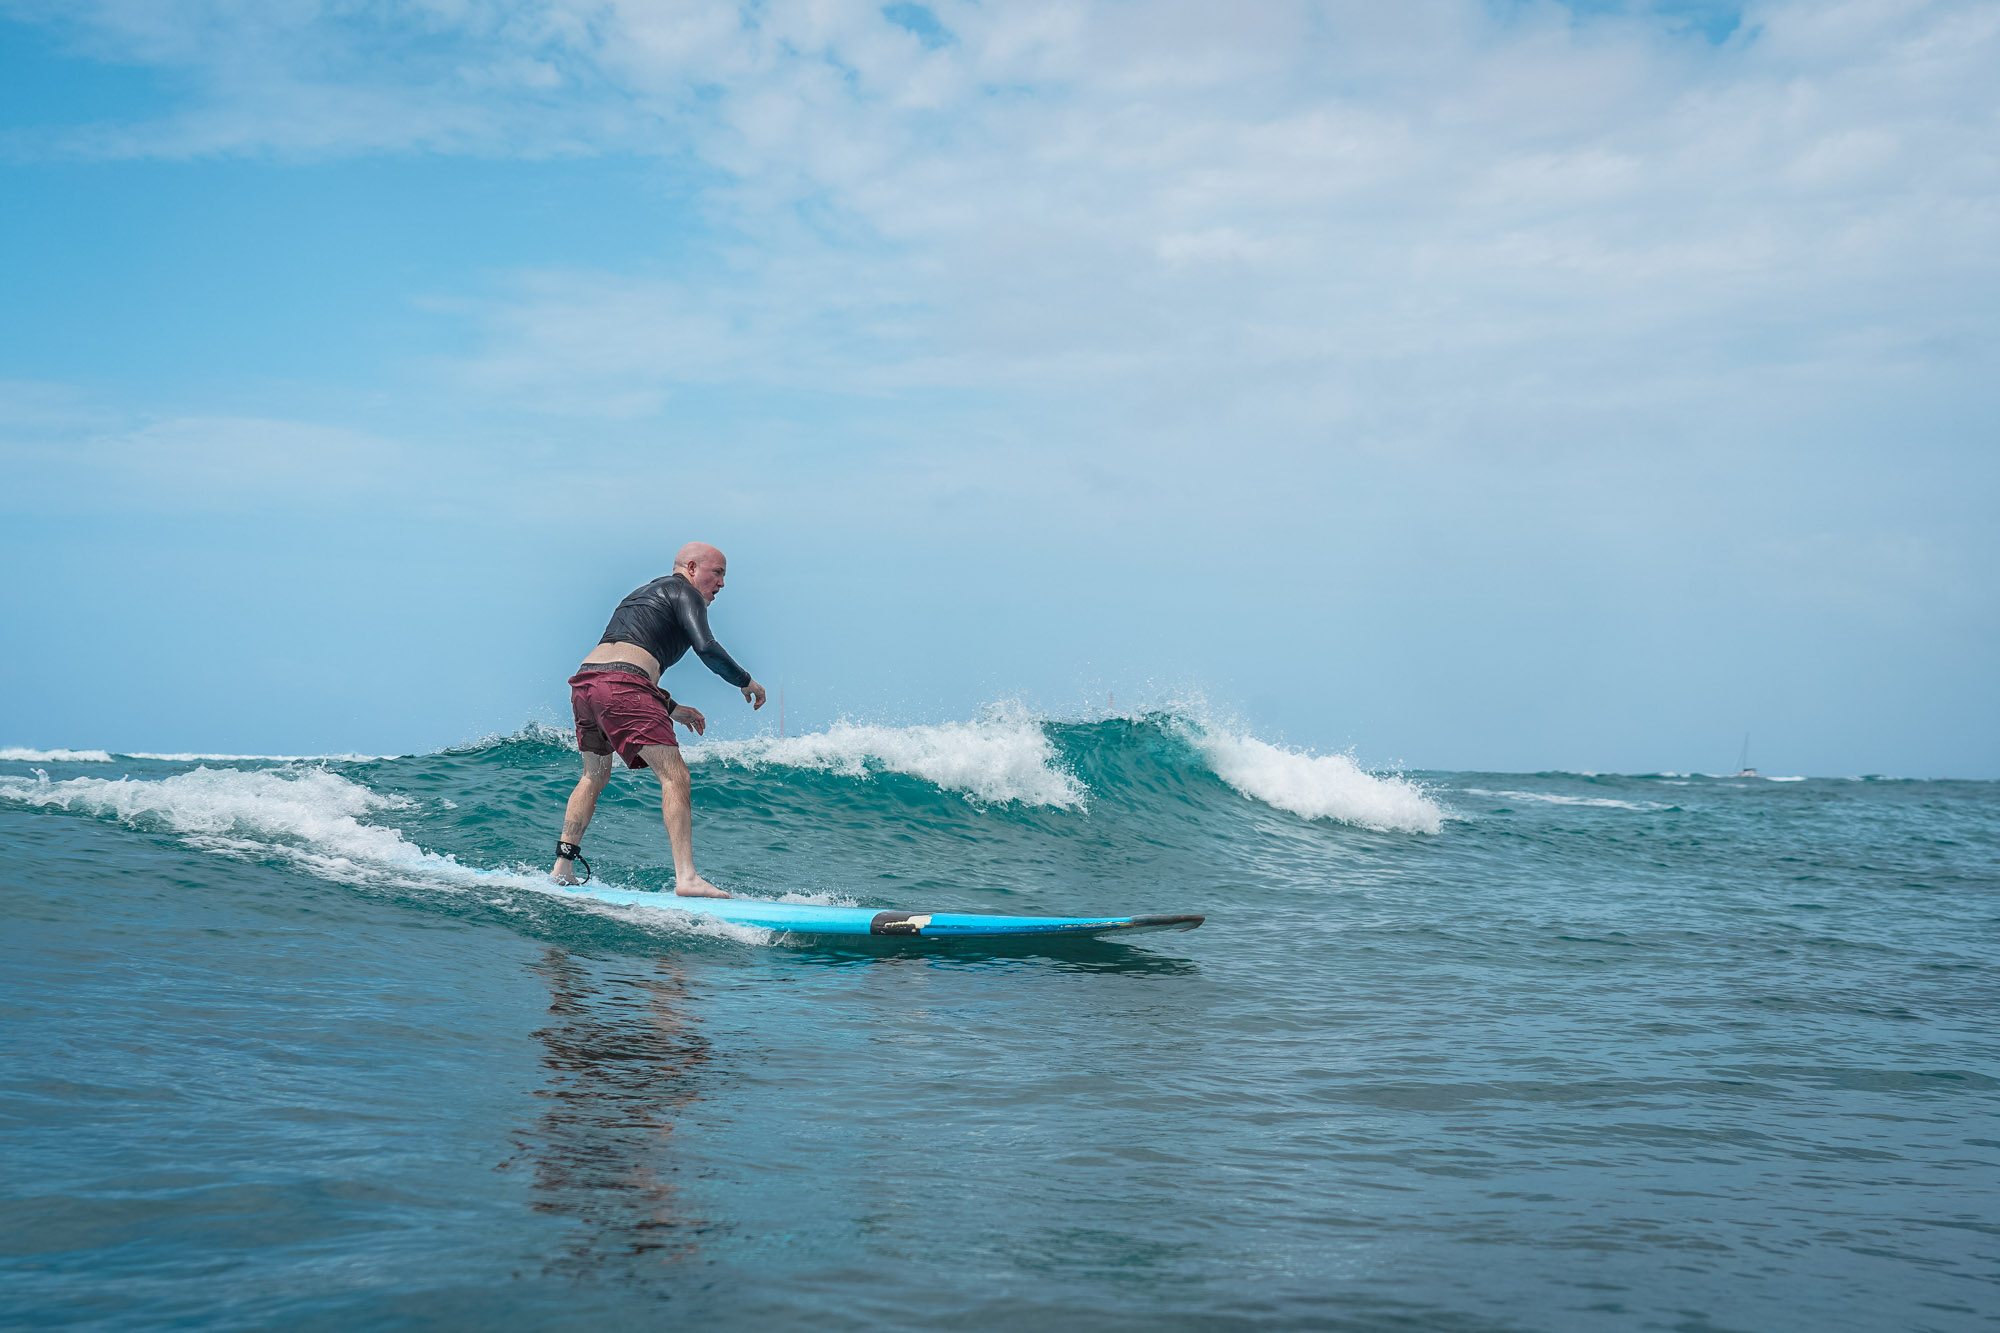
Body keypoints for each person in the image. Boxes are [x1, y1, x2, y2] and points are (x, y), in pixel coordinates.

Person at [551, 541, 766, 896]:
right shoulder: (685, 591)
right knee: (675, 775)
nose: (722, 584)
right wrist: (746, 681)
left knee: (593, 776)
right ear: (692, 567)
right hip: (623, 686)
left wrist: (670, 707)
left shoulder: (641, 594)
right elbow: (706, 648)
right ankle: (687, 878)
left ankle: (563, 866)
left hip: (586, 684)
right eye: (719, 573)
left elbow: (621, 663)